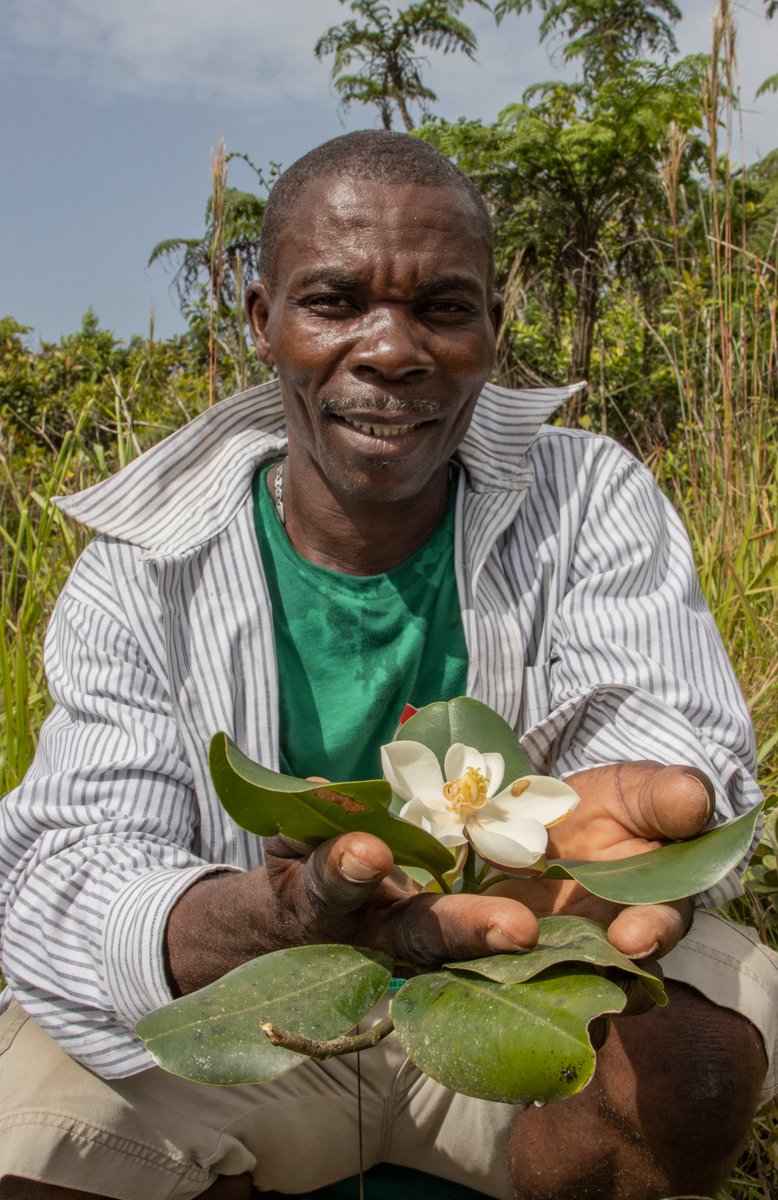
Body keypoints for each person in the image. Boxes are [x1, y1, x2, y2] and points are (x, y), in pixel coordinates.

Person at [0, 130, 775, 1200]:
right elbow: (74, 870)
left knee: (684, 1072)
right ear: (263, 323)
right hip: (271, 1002)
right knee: (41, 1137)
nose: (391, 349)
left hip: (521, 975)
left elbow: (655, 734)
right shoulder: (142, 569)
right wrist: (284, 916)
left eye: (442, 309)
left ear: (494, 332)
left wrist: (620, 834)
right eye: (335, 301)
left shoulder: (590, 494)